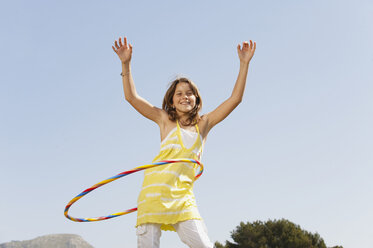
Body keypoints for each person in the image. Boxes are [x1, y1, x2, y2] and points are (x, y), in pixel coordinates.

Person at [112, 37, 256, 248]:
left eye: (190, 93)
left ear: (197, 99)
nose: (184, 97)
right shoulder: (164, 121)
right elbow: (132, 98)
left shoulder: (204, 124)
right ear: (171, 100)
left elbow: (235, 99)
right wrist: (126, 63)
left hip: (183, 198)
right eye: (179, 94)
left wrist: (244, 64)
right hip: (153, 194)